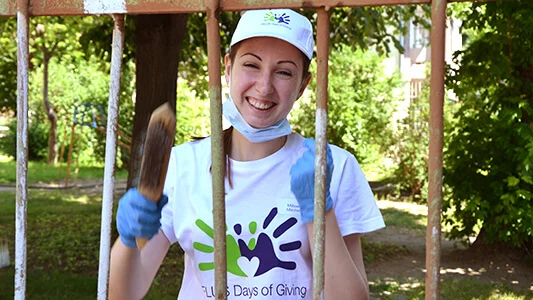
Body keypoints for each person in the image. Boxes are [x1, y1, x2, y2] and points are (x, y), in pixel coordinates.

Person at [109, 8, 385, 300]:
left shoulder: (334, 167)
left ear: (303, 85)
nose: (264, 86)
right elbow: (123, 295)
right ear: (227, 68)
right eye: (252, 65)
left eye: (284, 72)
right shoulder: (184, 165)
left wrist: (319, 210)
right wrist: (127, 241)